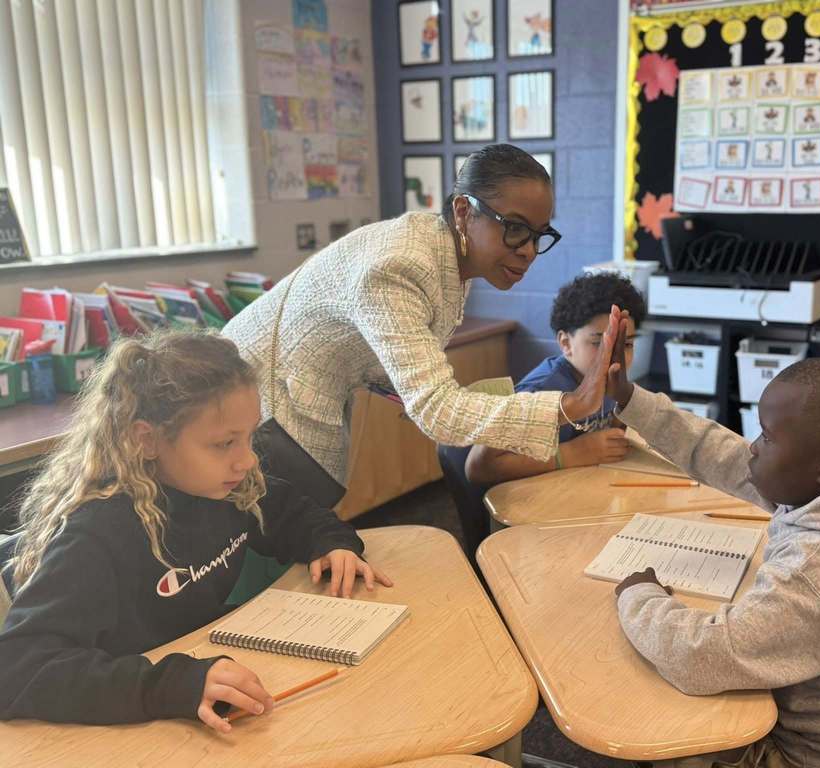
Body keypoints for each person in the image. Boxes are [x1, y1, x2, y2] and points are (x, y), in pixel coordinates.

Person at [0, 332, 389, 733]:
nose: (248, 459)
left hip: (198, 673)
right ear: (146, 440)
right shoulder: (95, 536)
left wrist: (332, 545)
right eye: (224, 444)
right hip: (123, 721)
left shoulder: (223, 485)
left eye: (249, 436)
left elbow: (294, 513)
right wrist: (171, 686)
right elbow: (16, 669)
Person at [223, 144, 621, 511]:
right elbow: (435, 410)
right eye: (515, 228)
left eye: (539, 235)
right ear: (464, 211)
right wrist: (569, 405)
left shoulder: (446, 254)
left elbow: (422, 390)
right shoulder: (400, 265)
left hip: (289, 397)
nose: (529, 251)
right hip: (254, 406)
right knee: (270, 546)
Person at [608, 355, 820, 768]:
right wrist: (632, 401)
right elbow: (724, 455)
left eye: (766, 436)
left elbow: (700, 656)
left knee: (666, 731)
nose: (752, 446)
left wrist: (639, 593)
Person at [465, 272, 647, 485]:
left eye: (626, 345)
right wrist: (570, 454)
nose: (615, 357)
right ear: (566, 343)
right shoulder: (540, 389)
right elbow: (479, 468)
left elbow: (614, 426)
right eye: (599, 344)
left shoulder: (611, 380)